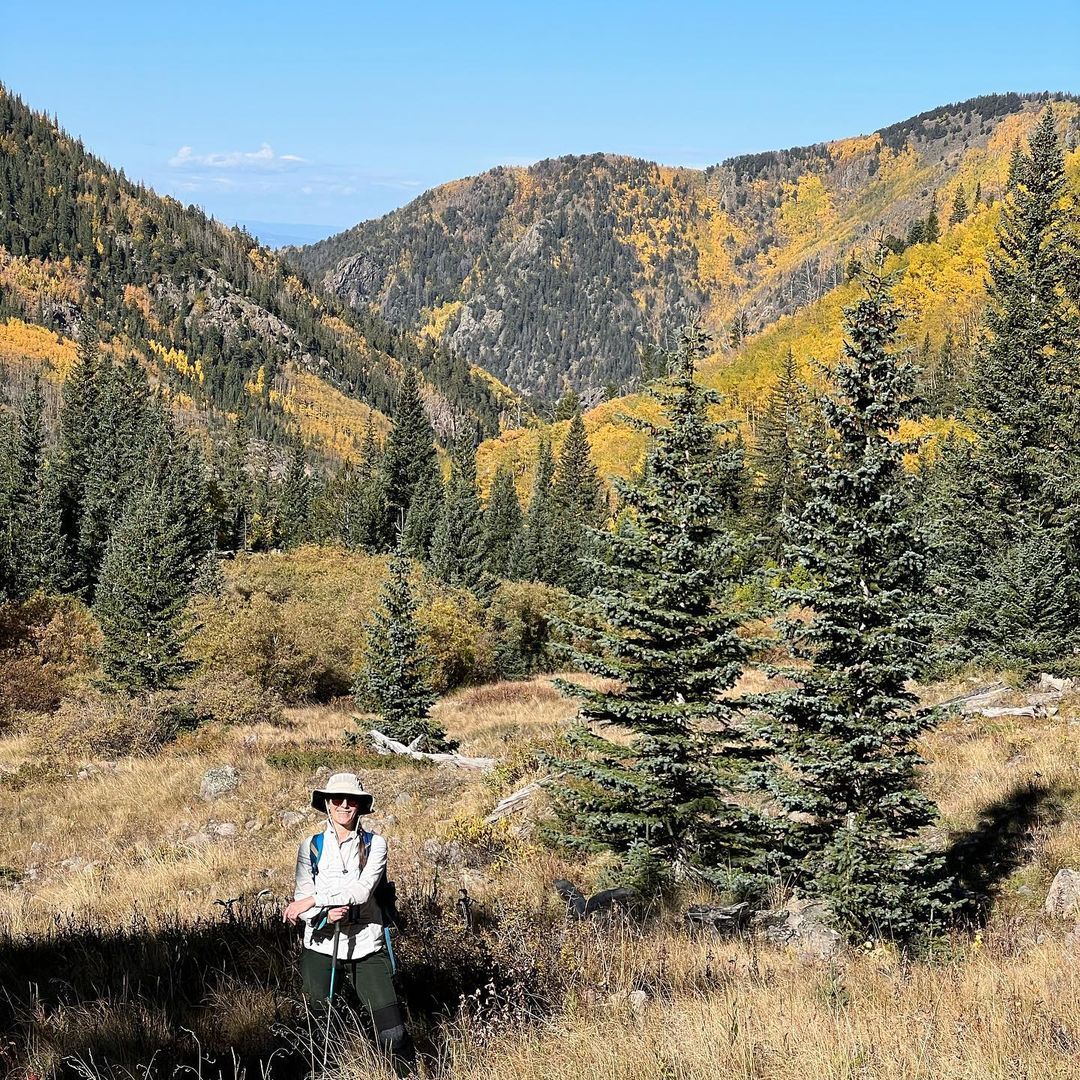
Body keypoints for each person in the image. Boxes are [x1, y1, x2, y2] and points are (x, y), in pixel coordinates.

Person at [283, 772, 410, 1068]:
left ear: (360, 805)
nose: (343, 805)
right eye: (336, 799)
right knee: (319, 1024)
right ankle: (323, 1071)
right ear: (326, 804)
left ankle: (405, 1072)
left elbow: (362, 891)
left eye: (350, 800)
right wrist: (322, 914)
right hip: (321, 945)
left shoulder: (375, 844)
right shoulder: (310, 847)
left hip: (367, 943)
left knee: (391, 1025)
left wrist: (316, 901)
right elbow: (302, 896)